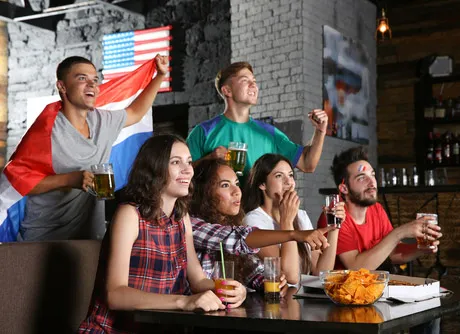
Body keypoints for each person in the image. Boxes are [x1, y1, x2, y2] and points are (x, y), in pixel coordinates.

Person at [79, 134, 244, 333]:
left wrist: (230, 290)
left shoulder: (182, 219)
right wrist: (184, 302)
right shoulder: (130, 215)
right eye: (176, 162)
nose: (187, 170)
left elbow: (199, 280)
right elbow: (115, 295)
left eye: (189, 162)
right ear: (154, 169)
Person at [20, 55, 168, 241]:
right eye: (82, 78)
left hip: (90, 236)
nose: (92, 84)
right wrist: (69, 179)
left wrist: (159, 76)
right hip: (45, 237)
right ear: (62, 86)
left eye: (95, 80)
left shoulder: (102, 120)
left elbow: (135, 113)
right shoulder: (45, 130)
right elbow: (20, 183)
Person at [190, 158, 334, 290]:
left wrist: (269, 281)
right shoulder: (192, 225)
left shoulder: (301, 215)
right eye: (225, 185)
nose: (237, 192)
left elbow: (250, 269)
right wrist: (292, 231)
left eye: (237, 184)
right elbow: (236, 239)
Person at [186, 61, 328, 177]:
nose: (253, 85)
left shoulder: (269, 133)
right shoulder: (203, 132)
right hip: (215, 211)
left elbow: (307, 163)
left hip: (256, 212)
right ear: (227, 90)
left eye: (254, 81)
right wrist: (209, 159)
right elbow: (180, 173)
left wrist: (320, 131)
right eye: (245, 80)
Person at [317, 146, 442, 271]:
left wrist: (420, 249)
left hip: (370, 286)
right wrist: (400, 232)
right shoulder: (334, 215)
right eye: (361, 178)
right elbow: (355, 267)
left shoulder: (376, 209)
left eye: (372, 175)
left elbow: (391, 253)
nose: (372, 183)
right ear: (344, 188)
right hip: (341, 288)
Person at [243, 154, 345, 282]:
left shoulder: (301, 215)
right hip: (271, 298)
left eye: (291, 175)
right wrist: (287, 222)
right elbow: (290, 277)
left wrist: (334, 227)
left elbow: (322, 273)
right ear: (262, 184)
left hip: (300, 297)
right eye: (279, 176)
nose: (289, 182)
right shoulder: (253, 221)